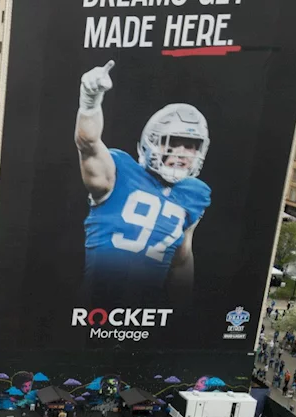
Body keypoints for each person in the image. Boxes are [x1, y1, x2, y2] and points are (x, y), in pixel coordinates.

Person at [76, 60, 211, 302]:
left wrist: (180, 312)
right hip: (96, 309)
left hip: (146, 317)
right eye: (171, 143)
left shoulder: (195, 195)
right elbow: (88, 142)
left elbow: (181, 260)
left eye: (190, 146)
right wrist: (89, 100)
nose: (181, 152)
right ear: (150, 143)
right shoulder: (119, 173)